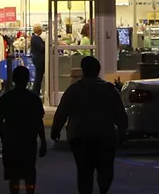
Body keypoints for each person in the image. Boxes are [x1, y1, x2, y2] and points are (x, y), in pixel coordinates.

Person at [51, 56, 127, 194]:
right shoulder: (109, 90)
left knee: (84, 171)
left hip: (80, 136)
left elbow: (62, 112)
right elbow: (120, 114)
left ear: (83, 70)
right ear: (98, 70)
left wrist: (55, 130)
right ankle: (103, 189)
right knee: (105, 169)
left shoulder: (74, 90)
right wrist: (122, 132)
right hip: (104, 136)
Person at [0, 66, 47, 194]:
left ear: (13, 79)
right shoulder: (34, 99)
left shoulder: (7, 98)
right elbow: (39, 122)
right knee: (29, 172)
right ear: (28, 80)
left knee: (13, 175)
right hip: (29, 141)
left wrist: (4, 137)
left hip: (12, 141)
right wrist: (43, 142)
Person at [30, 25, 46, 99]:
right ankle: (35, 92)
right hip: (39, 60)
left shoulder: (35, 38)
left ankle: (36, 92)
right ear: (39, 30)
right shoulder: (36, 38)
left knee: (39, 76)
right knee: (38, 77)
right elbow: (42, 47)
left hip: (38, 59)